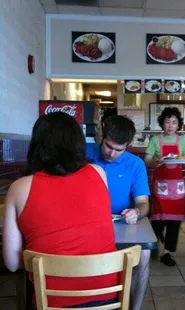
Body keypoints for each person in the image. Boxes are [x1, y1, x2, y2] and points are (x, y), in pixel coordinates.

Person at [3, 112, 118, 309]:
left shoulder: (19, 188)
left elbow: (11, 263)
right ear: (78, 143)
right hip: (106, 296)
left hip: (51, 301)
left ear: (37, 145)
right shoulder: (99, 173)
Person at [92, 115, 150, 310]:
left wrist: (136, 212)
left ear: (128, 145)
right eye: (108, 146)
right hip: (88, 224)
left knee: (144, 254)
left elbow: (143, 203)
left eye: (119, 150)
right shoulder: (83, 156)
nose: (111, 154)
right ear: (102, 134)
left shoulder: (135, 164)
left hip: (120, 224)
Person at [144, 107, 185, 267]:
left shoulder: (181, 140)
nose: (171, 125)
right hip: (161, 187)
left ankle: (168, 252)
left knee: (174, 222)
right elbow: (147, 159)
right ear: (162, 123)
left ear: (178, 125)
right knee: (158, 220)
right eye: (167, 121)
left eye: (174, 122)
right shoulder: (155, 140)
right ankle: (154, 244)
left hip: (177, 188)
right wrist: (154, 161)